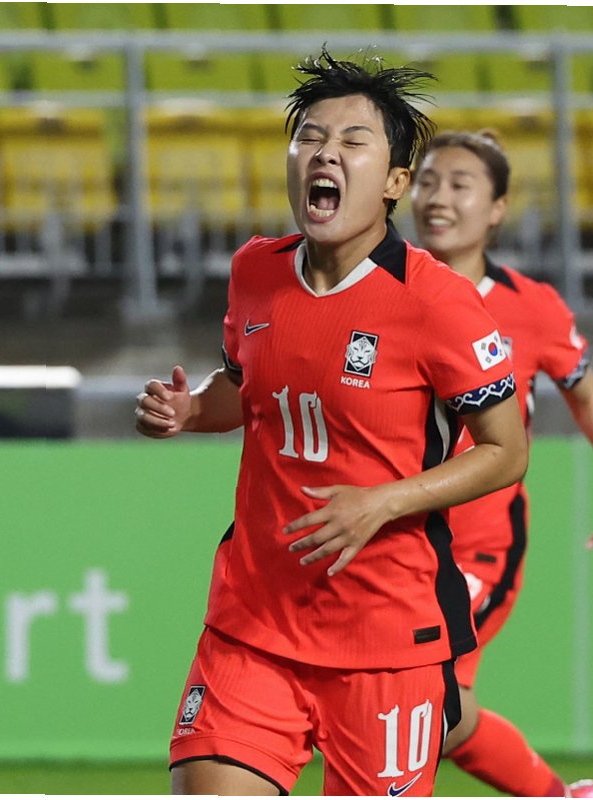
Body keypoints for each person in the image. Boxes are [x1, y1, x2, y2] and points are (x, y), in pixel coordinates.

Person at [135, 52, 529, 796]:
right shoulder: (255, 271)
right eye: (310, 137)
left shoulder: (438, 302)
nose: (324, 153)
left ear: (394, 183)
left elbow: (506, 451)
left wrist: (382, 501)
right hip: (254, 621)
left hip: (388, 638)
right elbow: (242, 389)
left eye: (352, 141)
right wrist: (189, 412)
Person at [410, 129, 593, 798]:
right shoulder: (380, 293)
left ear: (497, 210)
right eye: (428, 181)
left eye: (460, 185)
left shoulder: (530, 306)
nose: (438, 197)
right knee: (436, 715)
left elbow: (584, 395)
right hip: (395, 539)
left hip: (477, 547)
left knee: (416, 701)